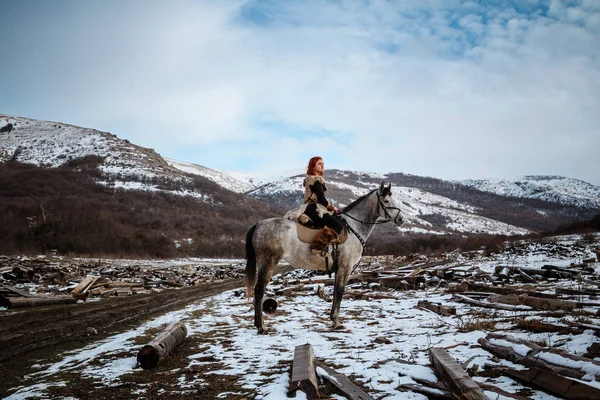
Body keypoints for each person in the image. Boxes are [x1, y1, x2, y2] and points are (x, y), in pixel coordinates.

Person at [301, 156, 344, 254]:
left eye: (323, 164)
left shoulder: (312, 179)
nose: (322, 166)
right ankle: (317, 247)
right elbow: (322, 200)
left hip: (313, 207)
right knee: (338, 225)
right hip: (314, 208)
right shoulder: (315, 180)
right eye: (319, 164)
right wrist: (333, 207)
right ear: (313, 166)